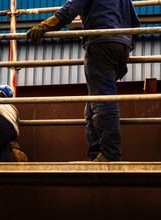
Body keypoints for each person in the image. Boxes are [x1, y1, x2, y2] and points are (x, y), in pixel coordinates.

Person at [26, 0, 140, 162]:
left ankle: (110, 154)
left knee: (103, 99)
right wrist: (124, 44)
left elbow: (70, 9)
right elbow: (136, 23)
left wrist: (44, 26)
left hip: (101, 42)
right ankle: (95, 154)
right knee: (92, 103)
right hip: (122, 46)